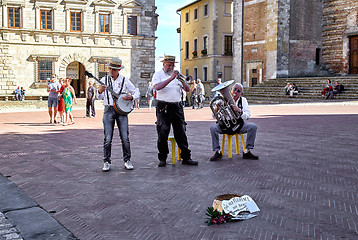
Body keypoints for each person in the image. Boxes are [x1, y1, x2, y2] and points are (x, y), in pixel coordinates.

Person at [151, 55, 198, 167]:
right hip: (164, 107)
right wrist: (171, 78)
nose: (170, 67)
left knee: (181, 132)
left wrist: (183, 81)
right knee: (163, 132)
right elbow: (157, 87)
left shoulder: (177, 77)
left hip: (177, 107)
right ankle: (162, 158)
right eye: (168, 65)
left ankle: (186, 157)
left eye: (172, 65)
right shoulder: (158, 75)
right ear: (163, 64)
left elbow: (187, 90)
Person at [96, 58, 140, 171]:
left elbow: (136, 92)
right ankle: (106, 161)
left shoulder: (125, 80)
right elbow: (98, 97)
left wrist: (132, 97)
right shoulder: (104, 80)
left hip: (121, 112)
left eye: (114, 69)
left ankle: (127, 160)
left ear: (119, 70)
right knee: (107, 138)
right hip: (108, 109)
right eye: (110, 69)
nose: (112, 71)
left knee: (125, 137)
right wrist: (100, 91)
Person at [210, 83, 259, 161]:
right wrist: (216, 108)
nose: (236, 92)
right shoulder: (221, 100)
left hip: (238, 125)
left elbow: (248, 115)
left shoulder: (243, 100)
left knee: (253, 127)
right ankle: (217, 151)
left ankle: (247, 151)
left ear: (241, 93)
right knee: (213, 128)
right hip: (225, 126)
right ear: (231, 90)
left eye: (238, 91)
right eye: (234, 89)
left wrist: (239, 111)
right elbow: (213, 116)